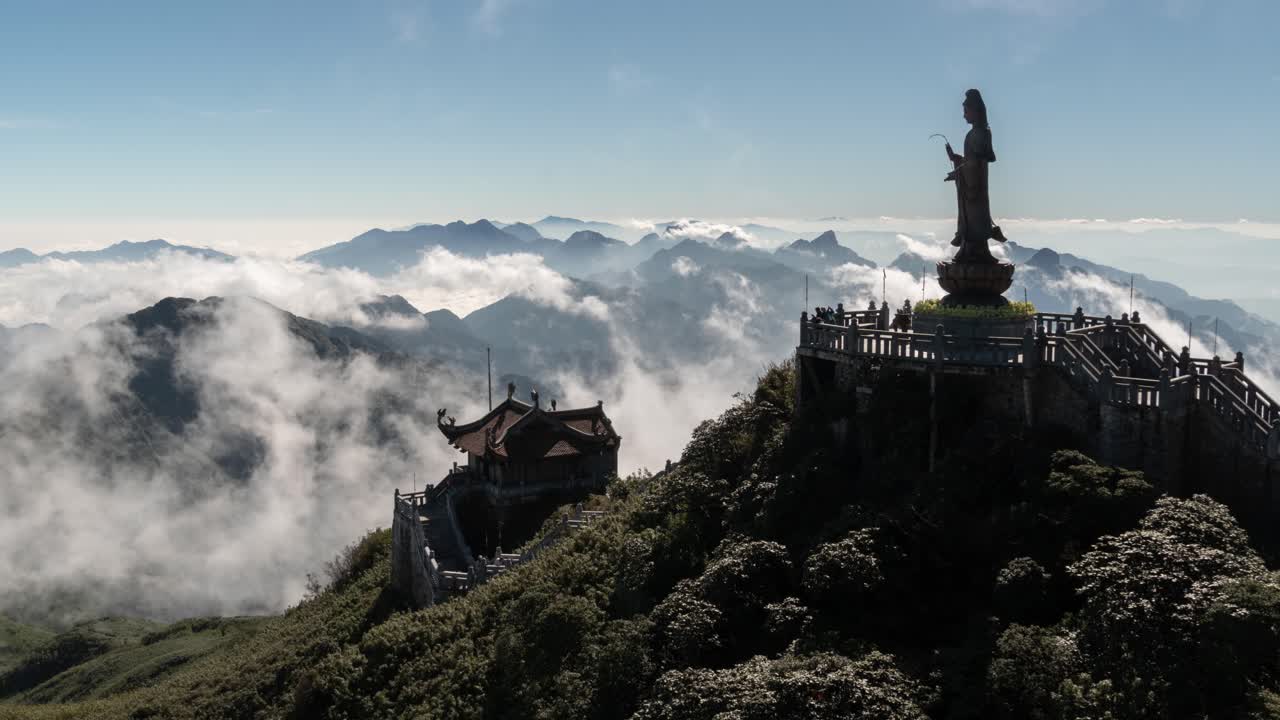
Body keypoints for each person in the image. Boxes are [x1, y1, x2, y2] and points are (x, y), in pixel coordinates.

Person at [945, 89, 1007, 263]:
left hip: (976, 186)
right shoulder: (974, 134)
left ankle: (975, 251)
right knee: (968, 217)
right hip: (970, 185)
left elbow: (979, 161)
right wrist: (957, 160)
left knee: (976, 220)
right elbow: (970, 161)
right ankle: (967, 247)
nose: (964, 116)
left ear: (976, 111)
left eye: (966, 111)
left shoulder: (981, 133)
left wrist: (960, 167)